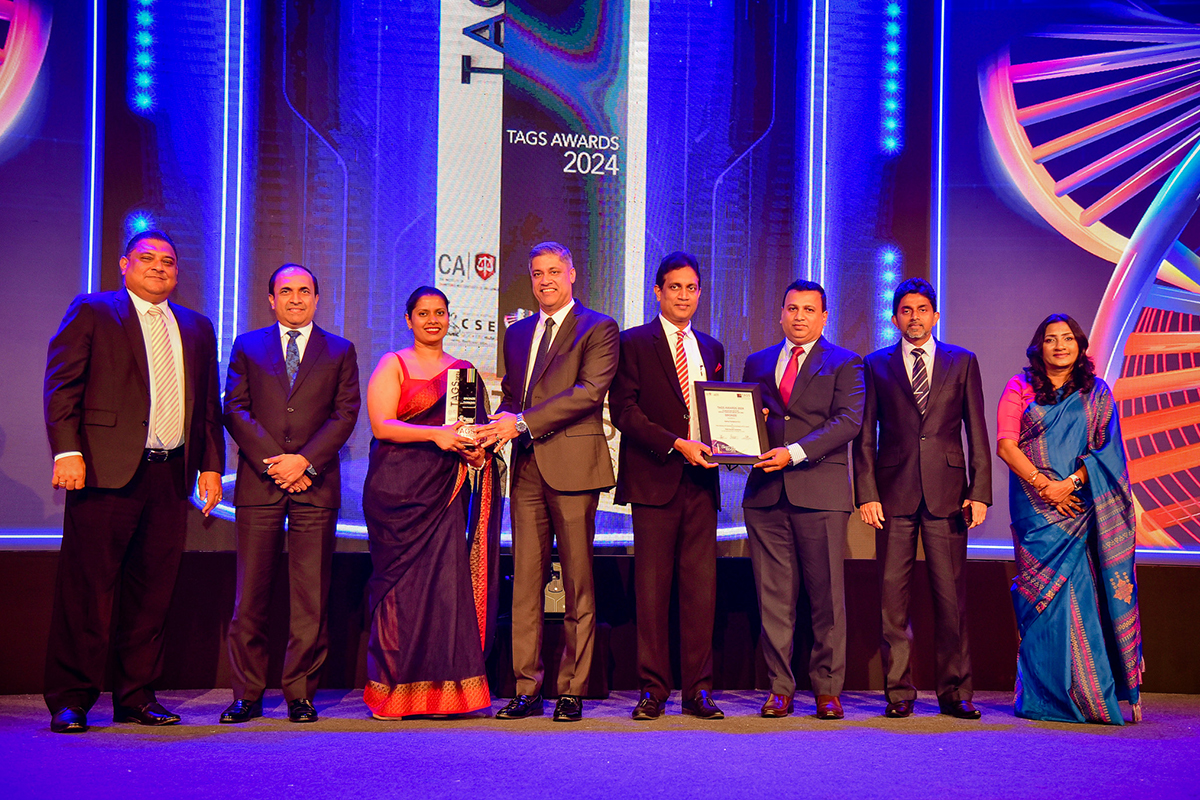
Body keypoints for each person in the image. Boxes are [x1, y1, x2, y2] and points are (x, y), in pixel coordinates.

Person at [42, 230, 224, 733]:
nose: (159, 267)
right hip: (103, 470)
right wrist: (67, 450)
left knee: (152, 593)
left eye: (169, 261)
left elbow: (208, 405)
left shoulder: (196, 326)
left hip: (170, 474)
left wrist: (211, 465)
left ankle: (137, 697)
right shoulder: (93, 311)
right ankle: (71, 698)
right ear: (124, 264)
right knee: (87, 589)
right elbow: (62, 385)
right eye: (147, 258)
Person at [477, 241, 620, 722]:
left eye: (554, 271)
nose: (546, 281)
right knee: (526, 583)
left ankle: (572, 689)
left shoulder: (599, 327)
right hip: (526, 469)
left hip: (574, 467)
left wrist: (519, 423)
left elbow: (588, 393)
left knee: (578, 582)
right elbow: (513, 397)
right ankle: (526, 688)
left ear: (572, 274)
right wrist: (489, 428)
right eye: (538, 273)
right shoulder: (518, 333)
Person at [220, 264, 361, 724]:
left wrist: (304, 462)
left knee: (310, 598)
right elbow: (235, 408)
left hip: (314, 485)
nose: (295, 299)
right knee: (250, 596)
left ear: (316, 299)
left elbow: (345, 415)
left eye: (304, 291)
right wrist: (277, 462)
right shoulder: (247, 345)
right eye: (286, 291)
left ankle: (300, 693)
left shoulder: (340, 350)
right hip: (260, 483)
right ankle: (247, 694)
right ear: (271, 299)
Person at [853, 278, 991, 720]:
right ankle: (899, 692)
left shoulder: (962, 361)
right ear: (895, 317)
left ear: (935, 315)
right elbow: (865, 437)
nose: (914, 317)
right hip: (893, 495)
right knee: (891, 602)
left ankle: (956, 692)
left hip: (948, 496)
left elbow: (977, 431)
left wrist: (980, 492)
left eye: (922, 309)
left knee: (951, 600)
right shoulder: (875, 364)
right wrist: (867, 493)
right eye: (906, 310)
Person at [996, 313, 1143, 724]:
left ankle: (1091, 697)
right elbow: (1006, 445)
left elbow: (1108, 452)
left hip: (1077, 506)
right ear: (1038, 346)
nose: (1059, 345)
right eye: (1050, 339)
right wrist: (1045, 485)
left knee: (1079, 595)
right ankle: (1042, 699)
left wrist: (1071, 484)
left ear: (1079, 346)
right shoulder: (1019, 386)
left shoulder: (1097, 393)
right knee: (1040, 600)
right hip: (1034, 507)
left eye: (1067, 338)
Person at [361, 286, 500, 718]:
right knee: (399, 595)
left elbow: (473, 434)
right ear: (409, 320)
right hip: (395, 496)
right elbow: (382, 426)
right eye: (423, 314)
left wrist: (476, 453)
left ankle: (443, 695)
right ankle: (392, 694)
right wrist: (436, 435)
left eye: (440, 313)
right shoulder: (393, 364)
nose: (432, 320)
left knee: (444, 593)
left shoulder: (463, 373)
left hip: (445, 494)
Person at [609, 252, 726, 721]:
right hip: (654, 480)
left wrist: (739, 431)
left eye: (691, 288)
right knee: (652, 592)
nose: (683, 295)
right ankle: (653, 690)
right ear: (657, 291)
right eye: (674, 287)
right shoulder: (633, 342)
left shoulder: (712, 348)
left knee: (701, 592)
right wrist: (676, 443)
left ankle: (699, 691)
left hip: (702, 483)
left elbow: (717, 411)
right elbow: (624, 411)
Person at [741, 279, 863, 720]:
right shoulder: (756, 362)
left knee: (826, 599)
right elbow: (746, 420)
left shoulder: (846, 362)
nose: (799, 316)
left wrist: (793, 452)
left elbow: (849, 421)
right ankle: (780, 689)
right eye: (792, 308)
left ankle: (827, 690)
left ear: (824, 317)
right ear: (781, 314)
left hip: (821, 494)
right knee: (773, 599)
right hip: (765, 496)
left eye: (809, 310)